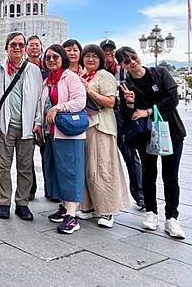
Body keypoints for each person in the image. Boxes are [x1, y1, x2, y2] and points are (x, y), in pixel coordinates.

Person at [117, 46, 187, 239]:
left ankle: (172, 218)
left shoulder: (160, 73)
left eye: (133, 57)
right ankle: (151, 212)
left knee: (170, 175)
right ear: (122, 65)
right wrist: (130, 103)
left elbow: (173, 98)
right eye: (126, 61)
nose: (132, 62)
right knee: (149, 173)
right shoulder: (126, 85)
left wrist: (148, 111)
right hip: (145, 134)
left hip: (171, 131)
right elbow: (127, 114)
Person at [0, 32, 42, 220]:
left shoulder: (33, 70)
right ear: (6, 48)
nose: (17, 48)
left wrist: (38, 122)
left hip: (27, 127)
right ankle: (4, 202)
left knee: (25, 167)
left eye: (20, 45)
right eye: (13, 45)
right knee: (3, 166)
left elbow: (39, 100)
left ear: (25, 48)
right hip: (4, 125)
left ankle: (22, 203)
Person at [77, 44, 129, 228]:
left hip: (102, 127)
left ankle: (107, 210)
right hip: (86, 127)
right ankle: (89, 206)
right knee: (89, 169)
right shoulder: (83, 75)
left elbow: (110, 102)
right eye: (87, 56)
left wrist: (89, 90)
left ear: (100, 59)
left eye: (95, 56)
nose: (90, 59)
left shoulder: (104, 76)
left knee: (103, 168)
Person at [37, 44, 87, 234]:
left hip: (69, 133)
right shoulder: (48, 80)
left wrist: (58, 108)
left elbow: (80, 102)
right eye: (48, 57)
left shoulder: (70, 77)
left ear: (63, 59)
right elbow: (42, 105)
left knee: (70, 172)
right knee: (57, 172)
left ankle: (72, 216)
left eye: (55, 57)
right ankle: (65, 208)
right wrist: (39, 123)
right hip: (52, 134)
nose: (51, 60)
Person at [101, 39, 145, 209]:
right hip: (104, 116)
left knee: (129, 154)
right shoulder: (98, 71)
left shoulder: (123, 71)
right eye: (105, 52)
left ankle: (140, 194)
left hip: (122, 116)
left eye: (111, 52)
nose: (108, 54)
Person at [26, 35, 50, 201]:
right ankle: (30, 189)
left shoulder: (47, 67)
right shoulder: (23, 67)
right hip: (26, 115)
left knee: (47, 155)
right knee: (26, 157)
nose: (34, 48)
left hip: (45, 116)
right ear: (26, 49)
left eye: (37, 45)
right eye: (31, 45)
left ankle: (50, 189)